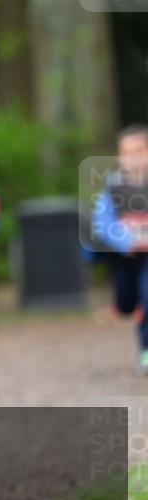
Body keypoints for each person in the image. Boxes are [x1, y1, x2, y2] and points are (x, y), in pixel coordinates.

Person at [91, 123, 148, 376]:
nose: (133, 157)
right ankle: (126, 307)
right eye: (127, 152)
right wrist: (126, 242)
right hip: (126, 256)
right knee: (126, 303)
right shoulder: (113, 186)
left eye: (139, 151)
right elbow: (103, 223)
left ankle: (146, 350)